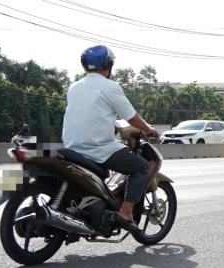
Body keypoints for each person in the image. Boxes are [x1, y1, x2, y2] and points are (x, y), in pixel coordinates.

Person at [61, 45, 159, 232]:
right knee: (141, 167)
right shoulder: (110, 87)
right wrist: (148, 129)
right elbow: (131, 117)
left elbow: (91, 115)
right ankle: (126, 212)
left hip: (72, 147)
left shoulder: (74, 87)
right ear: (108, 65)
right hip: (98, 148)